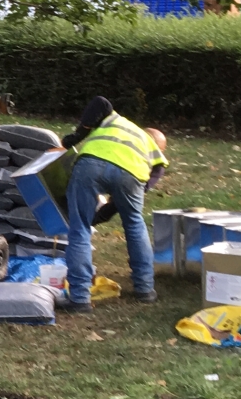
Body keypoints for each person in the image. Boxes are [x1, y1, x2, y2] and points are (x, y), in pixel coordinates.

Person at [58, 96, 167, 313]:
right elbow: (128, 199)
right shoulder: (155, 155)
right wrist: (105, 212)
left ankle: (79, 299)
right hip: (131, 174)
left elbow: (99, 101)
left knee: (79, 229)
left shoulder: (119, 122)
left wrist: (78, 135)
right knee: (135, 224)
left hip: (90, 164)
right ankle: (144, 289)